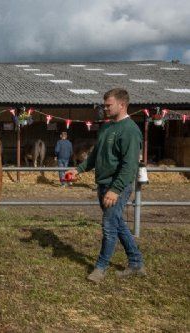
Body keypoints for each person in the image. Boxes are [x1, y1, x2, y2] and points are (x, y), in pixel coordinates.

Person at [65, 88, 145, 283]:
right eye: (105, 105)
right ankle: (136, 262)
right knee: (118, 224)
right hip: (103, 184)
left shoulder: (131, 131)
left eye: (108, 105)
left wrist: (115, 190)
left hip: (117, 186)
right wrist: (79, 169)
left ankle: (100, 268)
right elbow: (95, 156)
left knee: (109, 226)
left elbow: (129, 166)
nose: (105, 108)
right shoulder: (106, 128)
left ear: (122, 104)